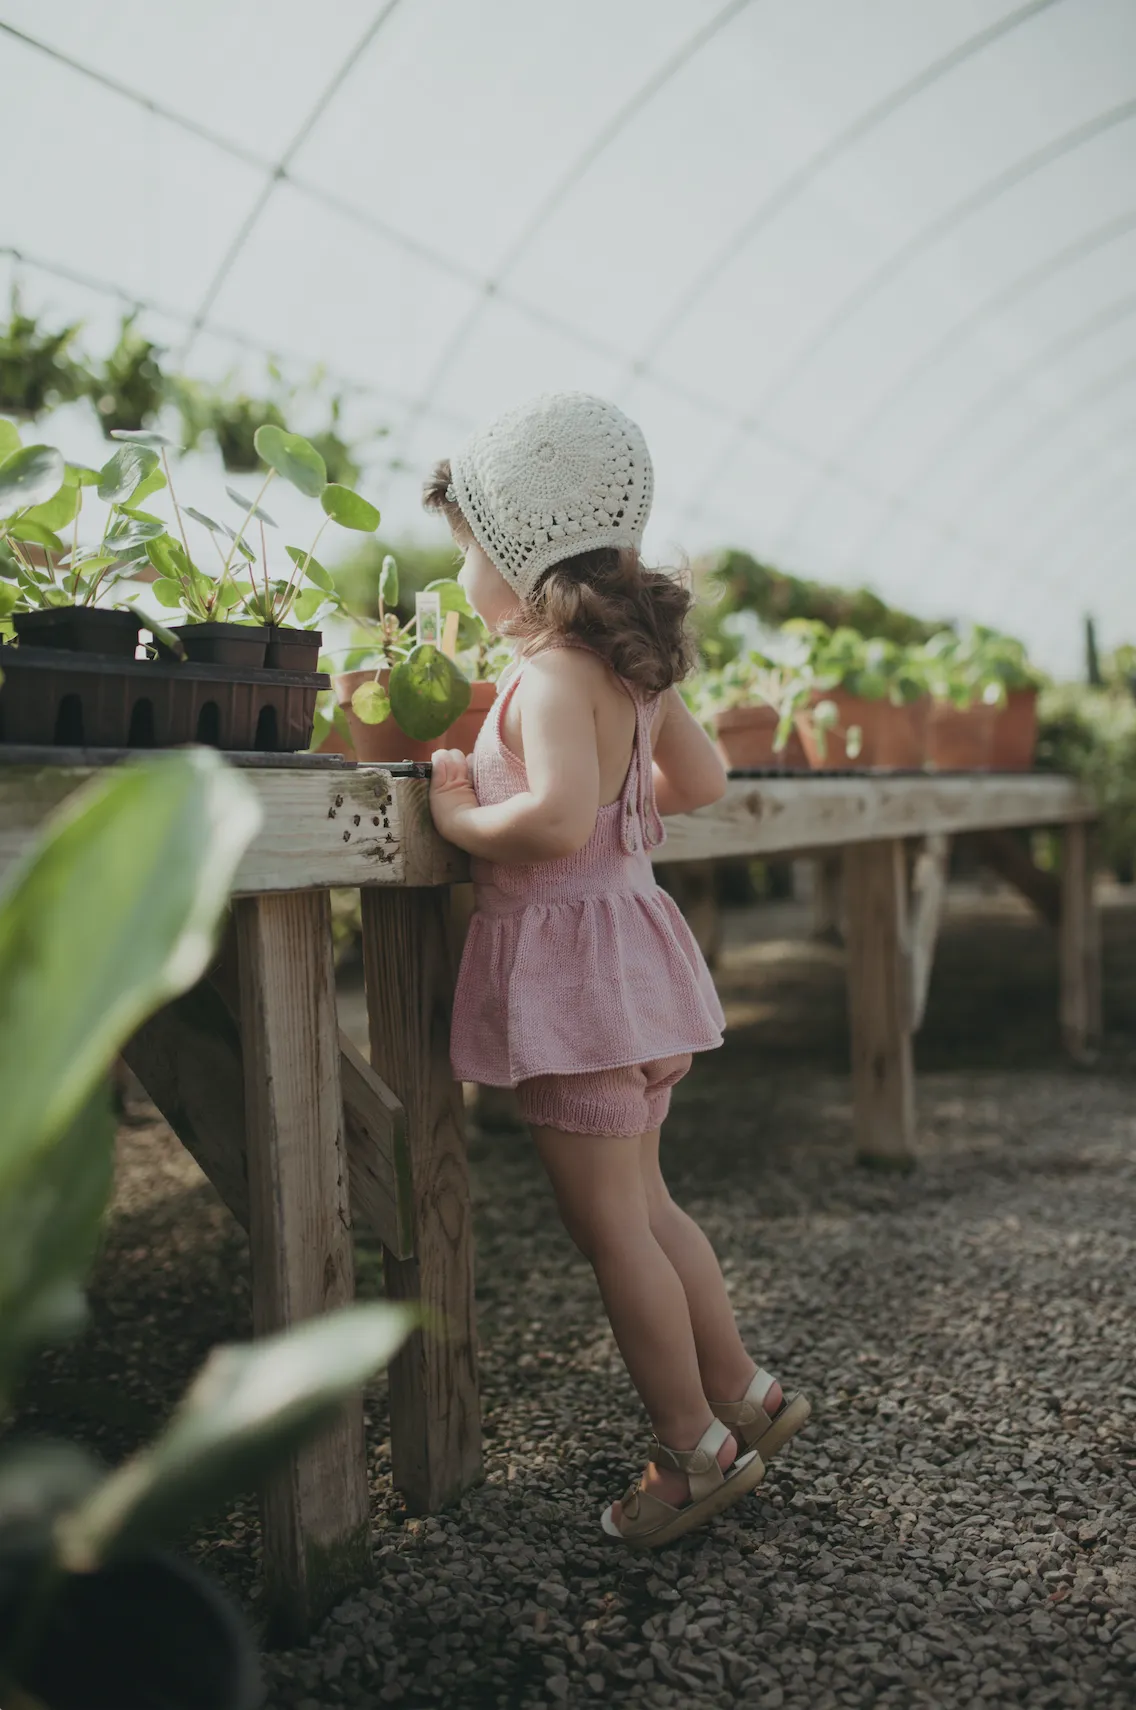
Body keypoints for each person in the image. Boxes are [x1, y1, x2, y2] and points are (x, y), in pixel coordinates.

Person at [424, 392, 809, 1548]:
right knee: (649, 1206)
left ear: (522, 560)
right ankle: (743, 1392)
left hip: (572, 992)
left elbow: (543, 825)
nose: (462, 584)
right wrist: (614, 791)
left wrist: (456, 815)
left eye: (469, 559)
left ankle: (691, 1452)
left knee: (611, 1237)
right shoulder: (628, 671)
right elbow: (697, 785)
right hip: (636, 968)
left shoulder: (546, 679)